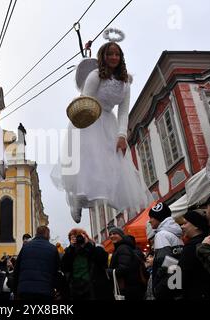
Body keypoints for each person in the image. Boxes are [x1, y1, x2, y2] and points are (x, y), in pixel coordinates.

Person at [51, 37, 152, 223]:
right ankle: (77, 200)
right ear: (103, 57)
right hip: (89, 119)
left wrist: (122, 135)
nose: (114, 57)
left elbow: (123, 112)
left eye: (117, 54)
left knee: (113, 161)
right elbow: (85, 98)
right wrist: (83, 123)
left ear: (121, 57)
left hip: (109, 121)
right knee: (89, 161)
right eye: (110, 54)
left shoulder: (125, 82)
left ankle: (111, 195)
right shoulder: (96, 75)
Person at [61, 228, 111, 300]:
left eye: (79, 237)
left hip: (94, 289)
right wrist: (71, 248)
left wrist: (87, 245)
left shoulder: (96, 249)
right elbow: (64, 267)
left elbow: (103, 262)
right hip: (76, 290)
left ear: (86, 237)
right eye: (73, 238)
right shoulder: (70, 253)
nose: (78, 240)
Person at [12, 226, 60, 300]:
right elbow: (56, 272)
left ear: (36, 234)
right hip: (45, 291)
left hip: (25, 290)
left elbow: (16, 270)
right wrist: (56, 288)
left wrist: (15, 290)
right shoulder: (53, 249)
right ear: (48, 235)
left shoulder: (25, 247)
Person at [179, 210, 210, 300]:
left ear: (196, 226)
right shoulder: (209, 241)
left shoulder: (191, 247)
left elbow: (180, 278)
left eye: (185, 223)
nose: (182, 226)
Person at [148, 202, 183, 300]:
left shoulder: (161, 235)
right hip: (176, 282)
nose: (149, 221)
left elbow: (166, 262)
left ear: (159, 218)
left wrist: (157, 283)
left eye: (151, 217)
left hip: (167, 285)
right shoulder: (174, 233)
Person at [106, 227, 146, 300]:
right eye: (110, 234)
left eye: (115, 234)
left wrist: (109, 271)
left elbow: (123, 268)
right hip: (131, 287)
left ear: (121, 235)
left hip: (128, 288)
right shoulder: (121, 248)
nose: (111, 236)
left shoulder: (122, 248)